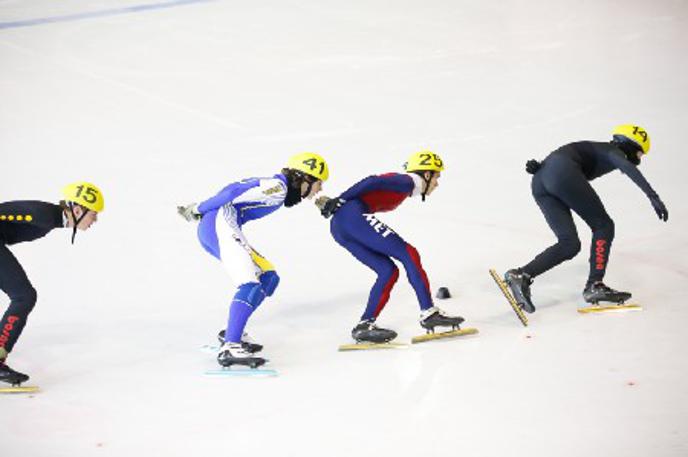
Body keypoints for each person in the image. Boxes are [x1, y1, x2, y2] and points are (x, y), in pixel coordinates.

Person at [178, 153, 329, 368]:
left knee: (268, 277)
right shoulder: (278, 187)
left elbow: (233, 189)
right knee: (249, 284)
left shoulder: (276, 185)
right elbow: (232, 192)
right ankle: (230, 346)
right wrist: (198, 208)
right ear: (305, 179)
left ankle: (231, 332)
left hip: (220, 225)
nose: (319, 190)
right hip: (219, 225)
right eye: (318, 184)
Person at [504, 125, 668, 312]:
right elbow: (627, 167)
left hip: (540, 181)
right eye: (640, 153)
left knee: (569, 244)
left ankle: (521, 275)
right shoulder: (614, 152)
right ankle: (595, 285)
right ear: (631, 146)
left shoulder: (599, 148)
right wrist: (652, 196)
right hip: (560, 174)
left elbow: (563, 155)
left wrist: (543, 166)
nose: (639, 159)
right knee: (604, 226)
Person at [319, 151, 464, 343]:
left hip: (340, 227)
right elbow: (372, 181)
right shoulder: (407, 181)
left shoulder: (405, 187)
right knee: (409, 253)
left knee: (388, 271)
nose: (437, 183)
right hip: (351, 217)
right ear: (426, 174)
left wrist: (339, 203)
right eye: (436, 176)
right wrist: (341, 199)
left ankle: (365, 325)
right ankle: (429, 312)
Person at [0, 182, 104, 385]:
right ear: (77, 210)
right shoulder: (43, 215)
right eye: (93, 214)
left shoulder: (51, 219)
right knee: (24, 296)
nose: (96, 219)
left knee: (24, 295)